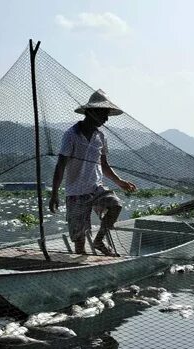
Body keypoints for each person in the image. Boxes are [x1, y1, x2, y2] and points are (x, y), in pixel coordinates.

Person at [49, 89, 138, 255]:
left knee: (115, 205)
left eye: (107, 115)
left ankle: (99, 240)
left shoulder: (101, 136)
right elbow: (61, 165)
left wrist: (120, 182)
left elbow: (104, 165)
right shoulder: (71, 135)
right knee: (79, 239)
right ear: (90, 112)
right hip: (76, 193)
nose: (105, 119)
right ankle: (79, 266)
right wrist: (54, 193)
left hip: (96, 189)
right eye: (103, 114)